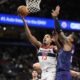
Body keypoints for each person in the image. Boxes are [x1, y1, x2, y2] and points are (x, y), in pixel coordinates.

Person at [19, 11, 58, 80]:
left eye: (47, 37)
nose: (45, 38)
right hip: (43, 73)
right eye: (44, 37)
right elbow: (29, 36)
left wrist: (55, 19)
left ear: (51, 40)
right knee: (34, 66)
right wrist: (24, 22)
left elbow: (61, 50)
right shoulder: (40, 46)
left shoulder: (53, 48)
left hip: (52, 73)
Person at [51, 5, 78, 80]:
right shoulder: (66, 48)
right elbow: (60, 49)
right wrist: (56, 41)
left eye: (69, 36)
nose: (67, 36)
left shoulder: (68, 44)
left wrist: (55, 18)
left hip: (63, 74)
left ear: (71, 40)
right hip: (62, 73)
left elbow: (59, 31)